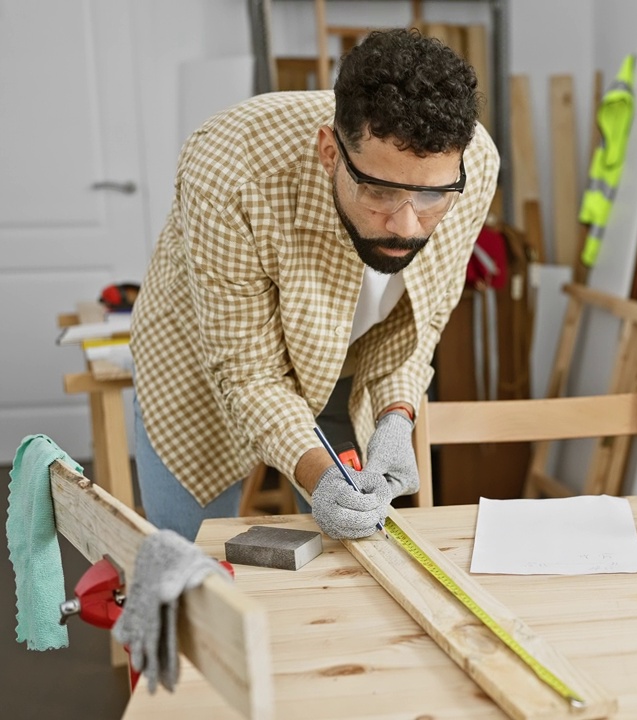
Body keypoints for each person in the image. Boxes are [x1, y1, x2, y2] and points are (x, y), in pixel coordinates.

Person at [130, 29, 498, 541]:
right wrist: (319, 476)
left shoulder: (473, 167)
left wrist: (396, 414)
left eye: (432, 197)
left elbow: (419, 321)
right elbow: (248, 373)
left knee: (356, 552)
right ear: (330, 152)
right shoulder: (228, 172)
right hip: (205, 372)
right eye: (380, 191)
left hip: (346, 366)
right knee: (191, 565)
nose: (408, 225)